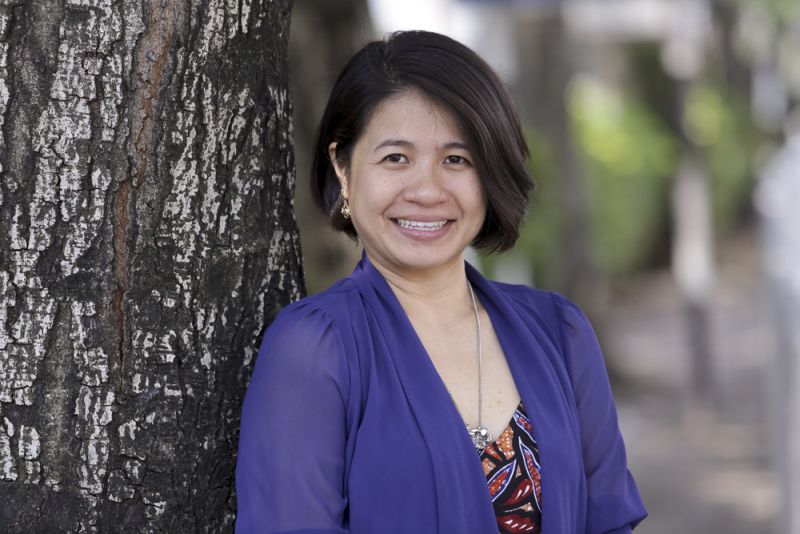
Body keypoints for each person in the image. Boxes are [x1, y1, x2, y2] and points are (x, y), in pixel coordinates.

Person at [235, 30, 647, 534]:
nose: (427, 191)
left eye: (456, 159)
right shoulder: (313, 349)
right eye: (395, 158)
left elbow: (608, 522)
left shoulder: (559, 332)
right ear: (343, 167)